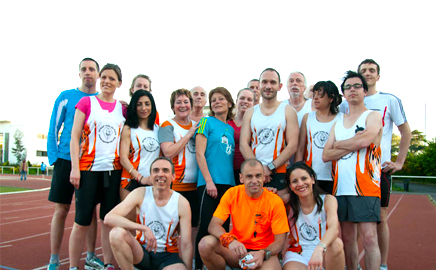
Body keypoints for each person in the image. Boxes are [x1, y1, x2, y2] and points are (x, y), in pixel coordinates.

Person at [340, 59, 411, 270]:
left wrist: (400, 162)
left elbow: (405, 131)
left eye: (372, 70)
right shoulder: (346, 102)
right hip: (350, 171)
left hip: (378, 170)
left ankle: (382, 264)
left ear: (378, 76)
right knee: (349, 223)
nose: (368, 73)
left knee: (380, 218)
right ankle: (353, 264)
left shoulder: (389, 100)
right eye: (364, 71)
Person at [323, 70, 383, 270]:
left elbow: (366, 140)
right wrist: (354, 143)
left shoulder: (373, 116)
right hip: (341, 188)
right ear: (344, 94)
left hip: (365, 187)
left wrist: (339, 144)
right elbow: (325, 155)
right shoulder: (338, 121)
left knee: (369, 238)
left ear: (365, 91)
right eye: (348, 87)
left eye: (357, 86)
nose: (352, 90)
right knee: (348, 239)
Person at [46, 57, 102, 270]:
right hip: (65, 161)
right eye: (84, 69)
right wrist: (55, 159)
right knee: (61, 210)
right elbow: (53, 127)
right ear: (79, 74)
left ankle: (90, 256)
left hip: (90, 164)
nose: (88, 73)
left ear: (97, 74)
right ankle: (54, 259)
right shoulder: (66, 97)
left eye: (92, 69)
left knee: (90, 212)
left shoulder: (101, 100)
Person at [69, 63, 126, 270]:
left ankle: (108, 264)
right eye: (104, 77)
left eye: (112, 78)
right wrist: (75, 168)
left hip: (113, 171)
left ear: (119, 83)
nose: (107, 81)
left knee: (108, 220)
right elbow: (74, 138)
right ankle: (74, 266)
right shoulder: (86, 103)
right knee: (82, 220)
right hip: (87, 170)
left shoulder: (122, 109)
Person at [198, 158, 289, 270]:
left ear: (263, 177)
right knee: (205, 244)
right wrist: (230, 241)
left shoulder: (274, 200)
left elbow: (280, 241)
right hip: (237, 249)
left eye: (258, 176)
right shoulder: (232, 193)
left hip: (263, 252)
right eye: (249, 176)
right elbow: (213, 225)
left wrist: (263, 253)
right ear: (241, 178)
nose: (254, 180)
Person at [105, 157, 193, 270]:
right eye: (156, 170)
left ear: (173, 177)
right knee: (116, 233)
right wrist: (143, 228)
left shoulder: (182, 203)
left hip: (167, 256)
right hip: (141, 252)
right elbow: (109, 218)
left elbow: (186, 244)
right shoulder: (140, 193)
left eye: (165, 170)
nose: (160, 174)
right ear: (150, 177)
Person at [240, 68, 299, 202]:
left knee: (278, 213)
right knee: (255, 215)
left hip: (279, 172)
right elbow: (244, 144)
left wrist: (270, 167)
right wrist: (259, 170)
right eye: (264, 82)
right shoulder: (250, 112)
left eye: (273, 82)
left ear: (280, 86)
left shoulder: (288, 111)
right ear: (259, 85)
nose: (268, 86)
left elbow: (292, 145)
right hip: (254, 174)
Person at [195, 87, 236, 269]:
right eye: (213, 100)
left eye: (221, 99)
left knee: (222, 228)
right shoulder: (206, 121)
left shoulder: (230, 129)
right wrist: (209, 181)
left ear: (229, 103)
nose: (216, 102)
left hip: (228, 184)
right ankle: (198, 265)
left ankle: (219, 263)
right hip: (209, 183)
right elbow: (199, 154)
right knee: (205, 226)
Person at [282, 162, 345, 270]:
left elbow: (334, 229)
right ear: (290, 187)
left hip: (324, 251)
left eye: (304, 178)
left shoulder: (327, 200)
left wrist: (319, 249)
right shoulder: (287, 202)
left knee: (336, 244)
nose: (300, 184)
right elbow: (266, 201)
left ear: (312, 179)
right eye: (294, 181)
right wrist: (269, 191)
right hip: (298, 254)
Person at [159, 89, 200, 248]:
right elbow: (169, 151)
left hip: (195, 186)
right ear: (173, 106)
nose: (183, 105)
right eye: (178, 102)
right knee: (172, 226)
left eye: (186, 102)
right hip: (175, 185)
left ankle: (194, 260)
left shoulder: (197, 125)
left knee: (194, 225)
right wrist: (189, 134)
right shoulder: (167, 125)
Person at [295, 81, 342, 194]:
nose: (315, 98)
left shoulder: (342, 119)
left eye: (320, 94)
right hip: (312, 176)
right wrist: (298, 172)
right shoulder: (308, 118)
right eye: (314, 94)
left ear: (331, 98)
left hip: (335, 176)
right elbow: (301, 148)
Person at [119, 90, 159, 222]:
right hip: (130, 181)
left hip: (152, 182)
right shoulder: (128, 128)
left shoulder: (158, 129)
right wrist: (139, 177)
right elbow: (123, 158)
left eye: (147, 104)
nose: (144, 108)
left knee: (150, 224)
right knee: (130, 225)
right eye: (139, 104)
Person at [228, 88, 254, 184]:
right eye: (242, 98)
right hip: (227, 170)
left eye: (249, 99)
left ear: (254, 103)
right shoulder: (227, 121)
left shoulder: (255, 123)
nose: (245, 102)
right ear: (236, 101)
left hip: (247, 170)